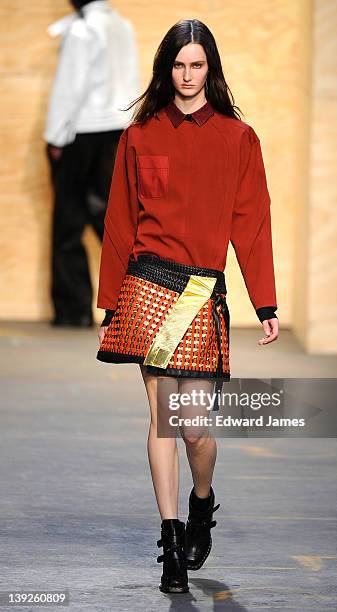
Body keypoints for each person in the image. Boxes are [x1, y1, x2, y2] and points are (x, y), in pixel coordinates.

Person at [96, 18, 279, 594]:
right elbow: (120, 220)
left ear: (211, 69)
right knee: (162, 421)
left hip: (202, 289)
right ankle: (171, 541)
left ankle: (202, 505)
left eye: (197, 65)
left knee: (195, 429)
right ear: (165, 68)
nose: (187, 75)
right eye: (178, 64)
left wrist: (265, 300)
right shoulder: (141, 135)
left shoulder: (237, 138)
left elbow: (252, 225)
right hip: (149, 286)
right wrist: (109, 301)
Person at [43, 0, 140, 327]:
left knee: (68, 222)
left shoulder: (83, 30)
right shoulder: (123, 25)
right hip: (117, 131)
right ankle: (136, 304)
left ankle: (74, 311)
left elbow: (68, 89)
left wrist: (56, 137)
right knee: (109, 219)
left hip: (81, 132)